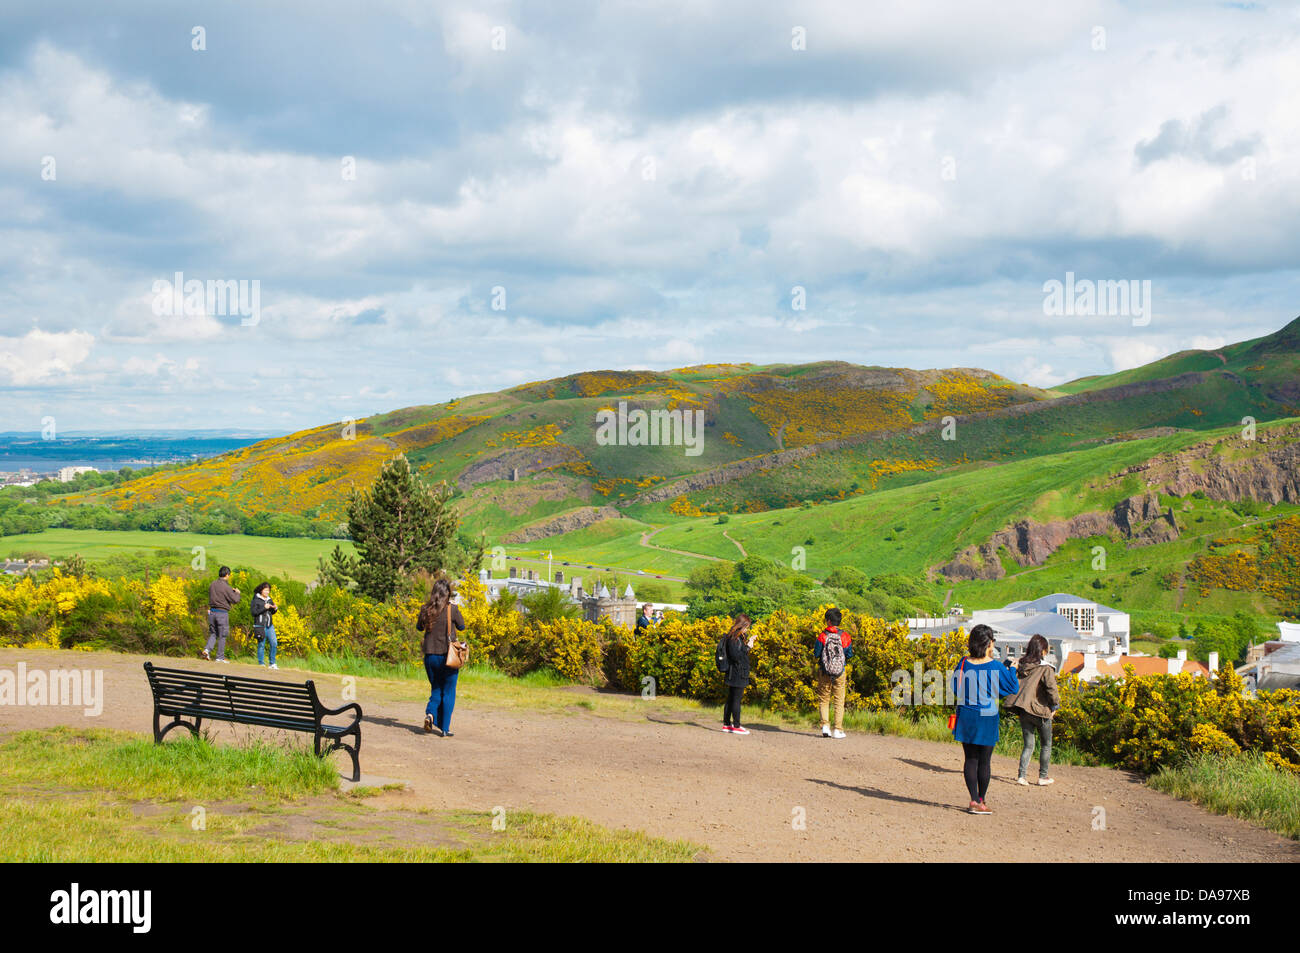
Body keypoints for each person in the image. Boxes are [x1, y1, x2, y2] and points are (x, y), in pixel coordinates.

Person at [951, 624, 1018, 815]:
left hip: (967, 714)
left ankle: (973, 800)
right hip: (987, 716)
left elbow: (955, 688)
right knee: (985, 761)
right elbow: (1012, 687)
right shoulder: (995, 665)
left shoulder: (963, 663)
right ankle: (981, 800)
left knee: (970, 759)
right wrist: (1012, 669)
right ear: (988, 643)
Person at [1006, 634, 1060, 786]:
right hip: (1040, 711)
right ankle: (1043, 777)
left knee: (1028, 745)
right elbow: (1052, 689)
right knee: (1046, 744)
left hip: (1023, 710)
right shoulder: (1045, 668)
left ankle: (1021, 776)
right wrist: (1055, 706)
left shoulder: (1021, 665)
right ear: (1043, 650)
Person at [416, 578, 467, 736]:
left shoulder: (426, 609)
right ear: (448, 594)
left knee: (436, 688)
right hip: (448, 657)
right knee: (449, 691)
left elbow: (419, 627)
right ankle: (445, 728)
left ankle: (430, 714)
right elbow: (462, 626)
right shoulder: (452, 609)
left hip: (430, 657)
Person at [814, 607, 854, 738]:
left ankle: (825, 727)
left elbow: (816, 653)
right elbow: (849, 654)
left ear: (828, 621)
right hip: (840, 671)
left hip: (824, 671)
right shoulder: (845, 636)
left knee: (824, 699)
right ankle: (838, 729)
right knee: (839, 700)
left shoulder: (822, 636)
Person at [721, 614, 754, 735]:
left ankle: (727, 724)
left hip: (735, 672)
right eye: (746, 627)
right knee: (736, 700)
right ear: (741, 625)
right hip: (736, 672)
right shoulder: (734, 638)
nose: (747, 629)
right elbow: (736, 656)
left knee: (731, 698)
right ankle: (736, 725)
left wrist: (748, 642)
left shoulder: (736, 637)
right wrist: (748, 647)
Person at [203, 566, 240, 663]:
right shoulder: (226, 587)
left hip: (212, 612)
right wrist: (237, 593)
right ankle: (220, 657)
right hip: (222, 613)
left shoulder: (212, 584)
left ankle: (207, 649)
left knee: (213, 633)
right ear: (227, 575)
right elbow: (235, 600)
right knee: (222, 635)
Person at [250, 582, 278, 671]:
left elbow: (271, 613)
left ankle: (272, 663)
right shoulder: (256, 600)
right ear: (261, 590)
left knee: (274, 643)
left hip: (270, 626)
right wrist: (264, 607)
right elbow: (254, 613)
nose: (267, 592)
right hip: (260, 625)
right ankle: (261, 663)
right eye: (266, 590)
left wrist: (275, 609)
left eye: (268, 590)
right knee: (261, 645)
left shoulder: (270, 600)